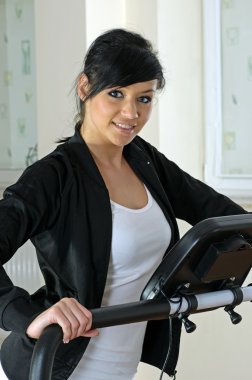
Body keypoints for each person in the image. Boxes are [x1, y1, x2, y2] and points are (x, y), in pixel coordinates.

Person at [0, 28, 247, 380]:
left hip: (119, 368)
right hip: (54, 368)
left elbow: (223, 214)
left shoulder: (144, 160)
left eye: (144, 98)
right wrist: (23, 314)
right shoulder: (53, 176)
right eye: (116, 93)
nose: (131, 112)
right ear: (85, 88)